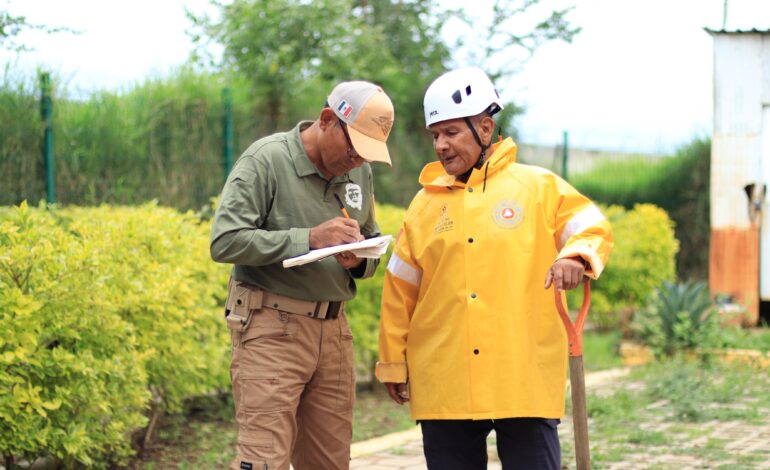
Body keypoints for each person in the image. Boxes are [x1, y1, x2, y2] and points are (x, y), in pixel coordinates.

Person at [376, 67, 613, 470]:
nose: (441, 145)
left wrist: (576, 256)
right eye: (435, 135)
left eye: (451, 132)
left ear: (485, 128)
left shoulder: (537, 187)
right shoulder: (423, 206)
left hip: (521, 376)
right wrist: (393, 361)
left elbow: (591, 227)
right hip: (443, 380)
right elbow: (400, 290)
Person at [210, 80, 395, 470]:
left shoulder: (359, 173)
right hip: (270, 329)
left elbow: (374, 240)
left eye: (368, 155)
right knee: (265, 460)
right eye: (354, 149)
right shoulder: (266, 160)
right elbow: (225, 241)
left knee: (329, 462)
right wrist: (308, 239)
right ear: (328, 119)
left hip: (333, 332)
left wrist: (359, 259)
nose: (358, 162)